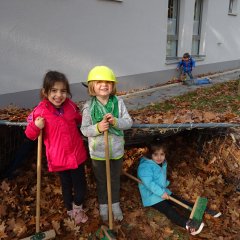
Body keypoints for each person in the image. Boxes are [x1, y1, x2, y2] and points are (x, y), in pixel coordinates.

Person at [25, 71, 88, 224]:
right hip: (58, 158)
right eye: (54, 91)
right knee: (66, 185)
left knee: (81, 187)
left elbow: (80, 120)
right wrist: (36, 126)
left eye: (63, 91)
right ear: (45, 92)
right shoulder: (40, 111)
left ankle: (77, 206)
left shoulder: (70, 106)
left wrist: (87, 115)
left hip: (76, 155)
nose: (59, 95)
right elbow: (29, 134)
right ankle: (70, 209)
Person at [137, 138, 221, 236]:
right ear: (150, 154)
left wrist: (164, 187)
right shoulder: (144, 167)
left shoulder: (161, 163)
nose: (159, 157)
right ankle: (187, 224)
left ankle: (201, 210)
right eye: (156, 154)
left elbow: (159, 177)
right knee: (169, 210)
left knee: (180, 202)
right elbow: (149, 183)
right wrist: (160, 193)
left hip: (163, 191)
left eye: (162, 154)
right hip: (152, 196)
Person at [81, 66, 133, 222]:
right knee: (102, 180)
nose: (104, 85)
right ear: (92, 86)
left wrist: (116, 122)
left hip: (116, 151)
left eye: (108, 82)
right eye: (99, 82)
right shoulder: (88, 106)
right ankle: (104, 205)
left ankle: (115, 204)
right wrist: (97, 127)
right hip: (98, 153)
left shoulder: (118, 102)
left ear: (113, 86)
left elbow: (129, 122)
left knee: (115, 179)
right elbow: (84, 129)